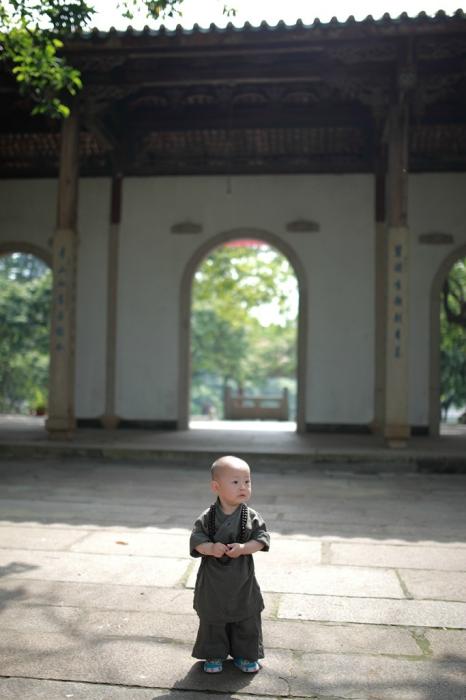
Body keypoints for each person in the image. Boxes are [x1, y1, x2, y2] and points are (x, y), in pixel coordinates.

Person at [190, 455, 270, 674]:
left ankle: (245, 655)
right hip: (213, 581)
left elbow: (261, 539)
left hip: (242, 579)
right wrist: (210, 548)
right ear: (216, 486)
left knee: (246, 616)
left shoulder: (250, 516)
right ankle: (213, 654)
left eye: (247, 481)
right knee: (213, 618)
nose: (243, 486)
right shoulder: (208, 517)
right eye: (235, 482)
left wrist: (244, 548)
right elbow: (197, 541)